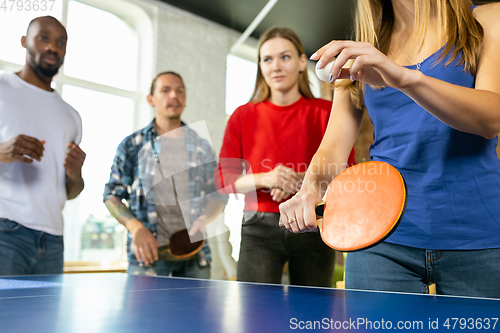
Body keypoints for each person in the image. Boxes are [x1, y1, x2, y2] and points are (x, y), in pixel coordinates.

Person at [279, 0, 500, 298]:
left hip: (478, 234)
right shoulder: (363, 49)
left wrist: (402, 78)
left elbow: (491, 119)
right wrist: (310, 189)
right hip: (377, 237)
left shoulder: (486, 19)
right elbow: (332, 148)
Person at [216, 27, 356, 286]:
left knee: (313, 314)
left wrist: (301, 182)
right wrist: (268, 179)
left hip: (313, 221)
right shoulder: (242, 116)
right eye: (267, 59)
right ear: (260, 66)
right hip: (258, 227)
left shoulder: (327, 112)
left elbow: (348, 173)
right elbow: (224, 180)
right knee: (255, 313)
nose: (276, 66)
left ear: (303, 62)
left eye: (285, 57)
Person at [104, 71, 227, 278]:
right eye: (165, 90)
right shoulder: (131, 145)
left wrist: (203, 220)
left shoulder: (201, 147)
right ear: (150, 99)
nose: (174, 96)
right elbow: (111, 195)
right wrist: (136, 228)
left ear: (185, 99)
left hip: (195, 257)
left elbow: (218, 195)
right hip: (147, 258)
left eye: (180, 91)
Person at [0, 16, 85, 275]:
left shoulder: (71, 116)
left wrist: (75, 174)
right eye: (43, 37)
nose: (53, 47)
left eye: (61, 42)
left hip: (53, 240)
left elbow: (72, 192)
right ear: (25, 41)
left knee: (46, 318)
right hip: (6, 231)